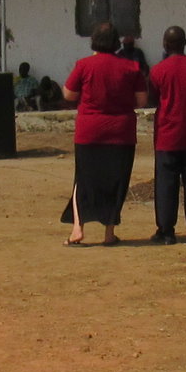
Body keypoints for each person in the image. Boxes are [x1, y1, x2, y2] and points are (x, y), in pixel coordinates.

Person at [62, 23, 143, 245]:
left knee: (83, 178)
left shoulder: (84, 65)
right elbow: (142, 100)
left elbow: (69, 94)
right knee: (116, 181)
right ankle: (109, 233)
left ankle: (77, 228)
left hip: (90, 131)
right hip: (121, 132)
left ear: (93, 41)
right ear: (117, 43)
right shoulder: (131, 67)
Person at [146, 26, 186, 244]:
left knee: (166, 184)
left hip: (166, 135)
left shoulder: (157, 71)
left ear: (165, 44)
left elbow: (152, 99)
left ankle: (166, 231)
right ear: (185, 43)